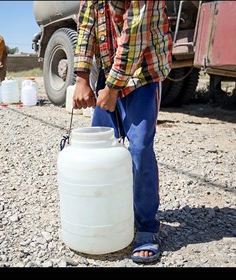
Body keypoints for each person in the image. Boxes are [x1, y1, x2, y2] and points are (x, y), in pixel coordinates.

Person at [73, 1, 172, 264]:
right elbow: (86, 28)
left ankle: (148, 226)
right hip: (111, 72)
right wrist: (82, 78)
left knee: (139, 149)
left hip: (144, 75)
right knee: (98, 151)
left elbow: (136, 36)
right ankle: (109, 216)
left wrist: (113, 88)